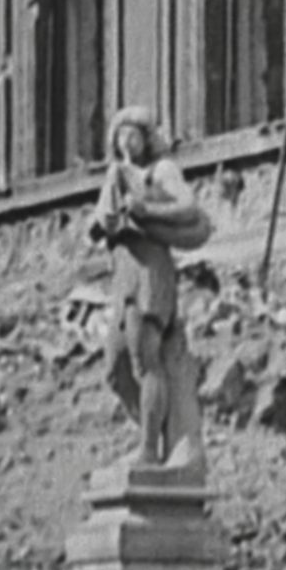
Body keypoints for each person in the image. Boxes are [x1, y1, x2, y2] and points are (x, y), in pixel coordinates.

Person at [89, 108, 211, 474]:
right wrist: (104, 224)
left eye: (135, 135)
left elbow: (188, 206)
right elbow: (97, 225)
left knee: (146, 361)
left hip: (150, 273)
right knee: (115, 368)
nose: (128, 142)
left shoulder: (160, 171)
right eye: (122, 135)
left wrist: (147, 209)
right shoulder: (116, 175)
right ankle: (152, 434)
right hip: (124, 275)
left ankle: (148, 451)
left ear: (147, 138)